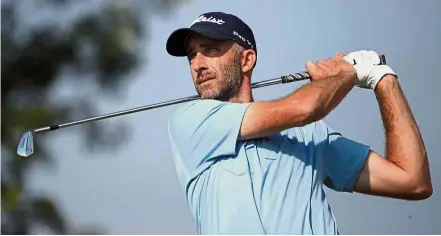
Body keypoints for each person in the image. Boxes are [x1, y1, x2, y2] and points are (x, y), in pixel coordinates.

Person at [165, 12, 432, 235]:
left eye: (210, 49)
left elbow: (413, 181)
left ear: (246, 60)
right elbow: (305, 108)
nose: (197, 64)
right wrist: (345, 75)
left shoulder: (309, 135)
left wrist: (382, 79)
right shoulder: (190, 121)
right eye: (191, 55)